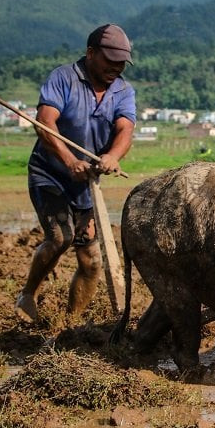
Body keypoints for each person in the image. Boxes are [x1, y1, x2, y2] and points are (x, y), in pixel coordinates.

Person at [15, 24, 137, 323]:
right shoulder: (63, 78)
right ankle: (28, 294)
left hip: (86, 184)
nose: (116, 67)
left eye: (121, 62)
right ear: (91, 53)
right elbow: (45, 123)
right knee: (60, 238)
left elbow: (125, 129)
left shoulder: (122, 90)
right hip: (52, 174)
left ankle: (69, 323)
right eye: (110, 60)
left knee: (92, 261)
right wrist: (70, 161)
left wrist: (112, 156)